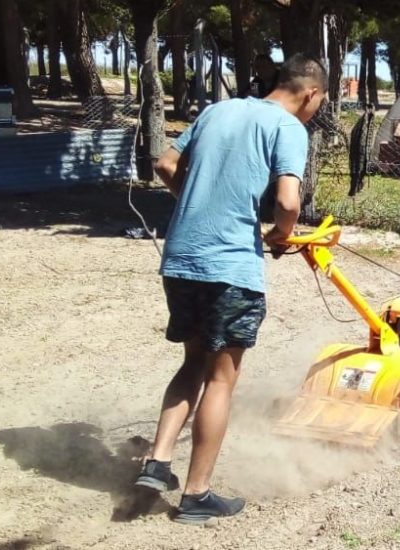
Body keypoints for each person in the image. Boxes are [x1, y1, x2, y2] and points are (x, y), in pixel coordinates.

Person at [134, 55, 327, 525]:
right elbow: (287, 200)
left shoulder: (218, 110)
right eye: (318, 105)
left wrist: (199, 203)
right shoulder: (289, 128)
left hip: (180, 257)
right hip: (228, 268)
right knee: (221, 379)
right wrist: (282, 233)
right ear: (311, 94)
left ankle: (157, 462)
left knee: (193, 363)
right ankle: (196, 494)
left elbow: (164, 162)